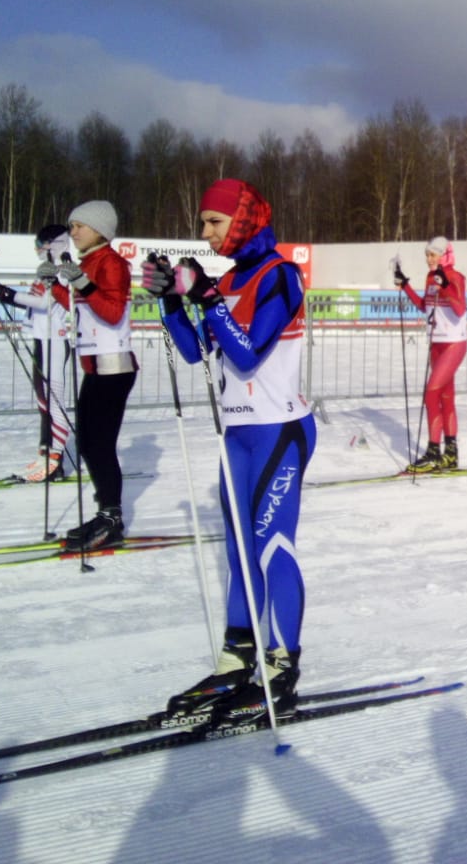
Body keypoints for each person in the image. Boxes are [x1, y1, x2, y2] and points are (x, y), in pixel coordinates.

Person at [148, 179, 314, 715]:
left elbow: (247, 354)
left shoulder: (280, 275)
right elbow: (197, 352)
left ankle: (283, 662)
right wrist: (172, 302)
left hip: (278, 430)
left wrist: (208, 299)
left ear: (243, 220)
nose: (206, 233)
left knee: (271, 545)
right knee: (239, 550)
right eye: (202, 222)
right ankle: (239, 655)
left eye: (215, 222)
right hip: (237, 434)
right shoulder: (229, 279)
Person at [54, 200, 136, 550]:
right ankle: (106, 513)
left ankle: (111, 518)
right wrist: (55, 284)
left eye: (79, 226)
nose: (72, 232)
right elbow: (80, 306)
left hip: (113, 366)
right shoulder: (89, 262)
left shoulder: (111, 263)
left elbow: (112, 311)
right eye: (71, 225)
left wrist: (82, 283)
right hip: (94, 365)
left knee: (99, 444)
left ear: (100, 230)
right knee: (87, 443)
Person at [0, 223, 74, 481]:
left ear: (54, 244)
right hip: (41, 339)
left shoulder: (63, 270)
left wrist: (7, 294)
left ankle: (56, 461)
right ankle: (45, 454)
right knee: (43, 403)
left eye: (41, 243)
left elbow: (45, 302)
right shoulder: (45, 271)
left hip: (54, 341)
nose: (37, 248)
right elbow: (32, 303)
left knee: (54, 403)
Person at [395, 236, 467, 473]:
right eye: (427, 255)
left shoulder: (456, 277)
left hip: (453, 344)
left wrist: (445, 285)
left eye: (433, 255)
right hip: (436, 344)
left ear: (445, 255)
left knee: (431, 393)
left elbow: (459, 308)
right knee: (445, 397)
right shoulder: (430, 277)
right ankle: (451, 454)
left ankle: (434, 452)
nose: (429, 259)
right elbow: (423, 305)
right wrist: (405, 286)